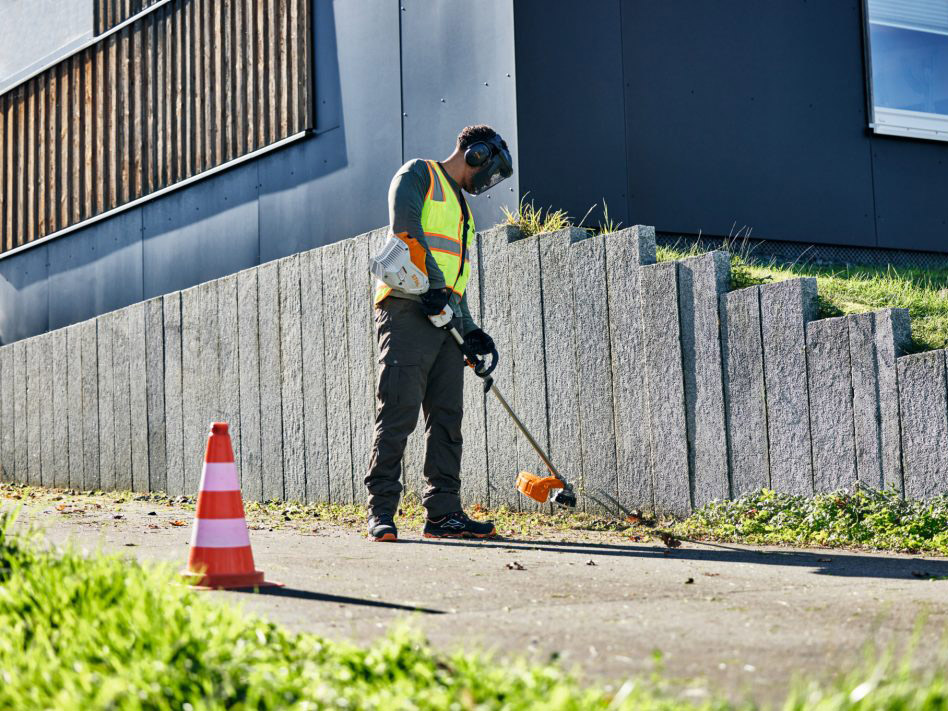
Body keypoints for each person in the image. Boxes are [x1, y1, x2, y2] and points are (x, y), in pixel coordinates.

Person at [365, 124, 513, 541]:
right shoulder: (418, 175)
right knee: (398, 412)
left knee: (447, 419)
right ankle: (380, 512)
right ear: (476, 154)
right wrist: (432, 287)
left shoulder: (463, 210)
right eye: (490, 169)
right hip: (406, 309)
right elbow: (405, 230)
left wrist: (472, 333)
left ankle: (443, 513)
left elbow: (454, 284)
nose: (488, 181)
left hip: (443, 315)